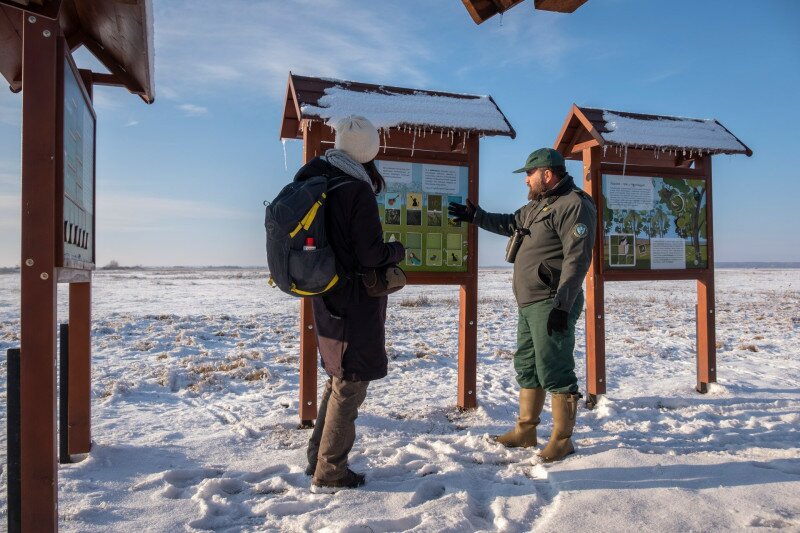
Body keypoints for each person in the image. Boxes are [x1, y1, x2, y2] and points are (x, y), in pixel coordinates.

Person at [448, 148, 596, 462]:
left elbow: (577, 257)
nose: (526, 180)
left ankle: (562, 439)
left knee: (554, 367)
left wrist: (562, 304)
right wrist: (477, 217)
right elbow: (511, 224)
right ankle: (526, 430)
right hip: (529, 302)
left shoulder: (574, 205)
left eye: (529, 174)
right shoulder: (537, 206)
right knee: (528, 366)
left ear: (547, 173)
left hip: (552, 301)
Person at [294, 115, 405, 491]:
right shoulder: (355, 189)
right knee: (350, 383)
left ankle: (318, 461)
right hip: (355, 303)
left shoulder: (318, 179)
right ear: (368, 152)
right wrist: (396, 249)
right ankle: (330, 472)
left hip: (327, 297)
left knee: (339, 377)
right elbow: (371, 254)